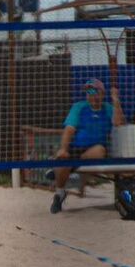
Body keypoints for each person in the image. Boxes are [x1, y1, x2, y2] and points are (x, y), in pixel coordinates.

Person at [49, 78, 114, 213]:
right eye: (88, 91)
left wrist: (117, 102)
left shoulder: (108, 108)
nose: (91, 94)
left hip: (95, 149)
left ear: (102, 93)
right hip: (77, 147)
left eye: (94, 90)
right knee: (62, 158)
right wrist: (64, 149)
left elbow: (120, 123)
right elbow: (69, 129)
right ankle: (59, 194)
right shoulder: (79, 107)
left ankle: (65, 169)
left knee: (100, 151)